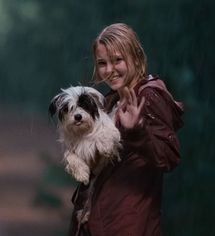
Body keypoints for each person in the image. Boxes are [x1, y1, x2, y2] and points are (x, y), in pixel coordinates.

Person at [68, 23, 184, 236]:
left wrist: (137, 131)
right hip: (96, 224)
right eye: (102, 63)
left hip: (127, 226)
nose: (109, 70)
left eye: (117, 60)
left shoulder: (148, 96)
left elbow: (169, 157)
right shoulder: (109, 102)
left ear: (136, 58)